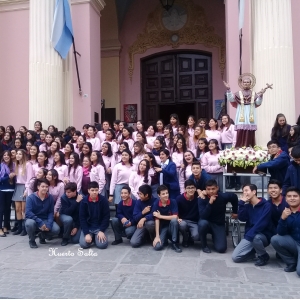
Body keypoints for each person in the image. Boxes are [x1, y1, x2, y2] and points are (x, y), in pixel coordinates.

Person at [232, 184, 274, 266]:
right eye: (243, 191)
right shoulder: (247, 206)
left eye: (246, 190)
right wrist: (241, 203)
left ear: (254, 192)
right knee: (235, 257)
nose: (244, 193)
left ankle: (263, 256)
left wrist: (249, 235)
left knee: (256, 238)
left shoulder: (266, 205)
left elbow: (262, 223)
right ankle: (252, 253)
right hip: (250, 235)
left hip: (262, 235)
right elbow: (242, 218)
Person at [223, 74, 271, 147]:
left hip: (250, 115)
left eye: (248, 82)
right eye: (244, 82)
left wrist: (261, 95)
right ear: (242, 83)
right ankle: (239, 147)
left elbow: (258, 102)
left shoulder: (254, 94)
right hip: (241, 114)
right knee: (240, 131)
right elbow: (231, 99)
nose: (246, 83)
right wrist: (228, 89)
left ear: (250, 83)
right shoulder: (238, 93)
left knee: (250, 131)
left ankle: (250, 147)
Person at [198, 180, 238, 253]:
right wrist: (210, 203)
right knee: (202, 223)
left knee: (221, 249)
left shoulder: (223, 196)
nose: (211, 191)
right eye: (208, 189)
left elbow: (234, 197)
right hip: (206, 222)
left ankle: (215, 236)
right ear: (205, 189)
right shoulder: (202, 198)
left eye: (213, 189)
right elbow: (203, 216)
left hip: (218, 224)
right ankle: (204, 245)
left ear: (217, 188)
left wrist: (235, 212)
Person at [271, 187, 300, 274]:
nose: (292, 198)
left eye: (295, 196)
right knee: (275, 239)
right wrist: (282, 219)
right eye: (289, 196)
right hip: (294, 243)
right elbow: (281, 233)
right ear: (286, 199)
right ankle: (292, 262)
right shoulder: (286, 212)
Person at [25, 178, 60, 248]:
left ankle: (42, 235)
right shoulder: (31, 198)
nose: (45, 188)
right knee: (29, 224)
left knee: (56, 229)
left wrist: (49, 224)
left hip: (45, 219)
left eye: (46, 187)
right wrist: (40, 222)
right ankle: (32, 240)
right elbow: (28, 212)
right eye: (43, 186)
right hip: (33, 219)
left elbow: (50, 212)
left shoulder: (50, 197)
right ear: (38, 187)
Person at [79, 181, 110, 249]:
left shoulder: (103, 200)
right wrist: (86, 233)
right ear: (88, 191)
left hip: (99, 227)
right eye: (92, 190)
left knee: (102, 245)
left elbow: (106, 217)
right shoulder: (84, 201)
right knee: (83, 245)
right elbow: (82, 218)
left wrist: (101, 230)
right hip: (88, 227)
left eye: (96, 190)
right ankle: (92, 237)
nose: (94, 192)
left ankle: (95, 237)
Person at [152, 185, 182, 253]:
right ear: (159, 195)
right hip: (163, 227)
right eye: (163, 194)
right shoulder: (156, 204)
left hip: (172, 225)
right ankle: (165, 238)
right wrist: (157, 236)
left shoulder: (173, 201)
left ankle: (174, 243)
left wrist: (160, 216)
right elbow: (157, 220)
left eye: (167, 193)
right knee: (157, 247)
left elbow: (175, 217)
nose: (166, 195)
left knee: (174, 221)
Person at [177, 180, 199, 247]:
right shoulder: (179, 199)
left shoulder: (198, 197)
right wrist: (178, 218)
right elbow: (176, 211)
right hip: (183, 220)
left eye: (192, 188)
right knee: (182, 225)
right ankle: (185, 238)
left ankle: (191, 237)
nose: (191, 190)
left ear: (195, 189)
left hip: (194, 222)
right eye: (188, 188)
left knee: (196, 237)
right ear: (185, 189)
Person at [0, 151, 15, 236]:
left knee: (8, 209)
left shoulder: (14, 166)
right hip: (2, 190)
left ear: (10, 156)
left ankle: (6, 226)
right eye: (4, 155)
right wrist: (8, 177)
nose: (6, 156)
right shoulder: (1, 166)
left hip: (11, 190)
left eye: (8, 155)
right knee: (1, 209)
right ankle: (0, 228)